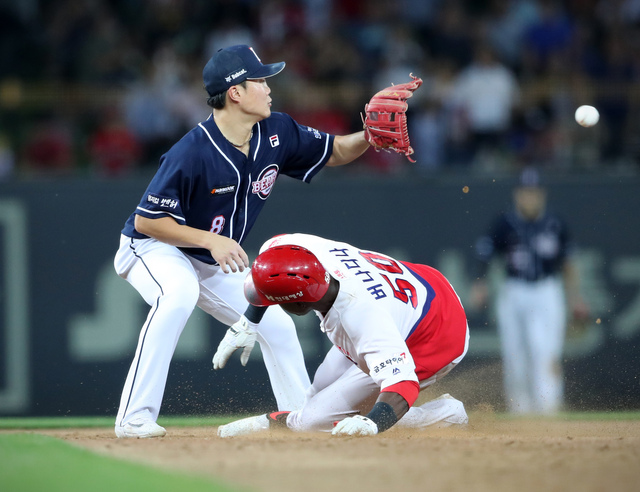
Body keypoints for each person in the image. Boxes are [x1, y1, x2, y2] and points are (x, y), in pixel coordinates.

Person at [113, 45, 372, 438]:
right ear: (235, 92)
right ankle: (134, 417)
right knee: (177, 294)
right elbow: (149, 221)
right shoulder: (192, 151)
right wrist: (210, 240)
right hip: (154, 248)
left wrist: (370, 137)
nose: (269, 88)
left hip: (210, 259)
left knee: (278, 325)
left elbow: (334, 150)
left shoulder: (276, 132)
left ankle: (303, 419)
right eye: (260, 81)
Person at [214, 233, 470, 437]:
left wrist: (372, 424)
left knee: (314, 423)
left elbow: (403, 385)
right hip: (421, 289)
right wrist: (249, 323)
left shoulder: (364, 318)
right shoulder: (294, 249)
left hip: (436, 336)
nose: (268, 302)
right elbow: (276, 271)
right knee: (315, 399)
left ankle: (446, 414)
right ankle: (340, 416)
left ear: (301, 306)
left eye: (276, 301)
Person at [469, 167, 589, 415]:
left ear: (542, 195)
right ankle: (520, 412)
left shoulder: (555, 223)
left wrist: (576, 296)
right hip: (514, 291)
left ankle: (549, 408)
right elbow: (485, 255)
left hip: (547, 290)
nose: (529, 197)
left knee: (546, 351)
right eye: (525, 192)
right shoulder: (505, 222)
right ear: (517, 195)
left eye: (534, 192)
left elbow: (568, 263)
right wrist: (480, 284)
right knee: (515, 354)